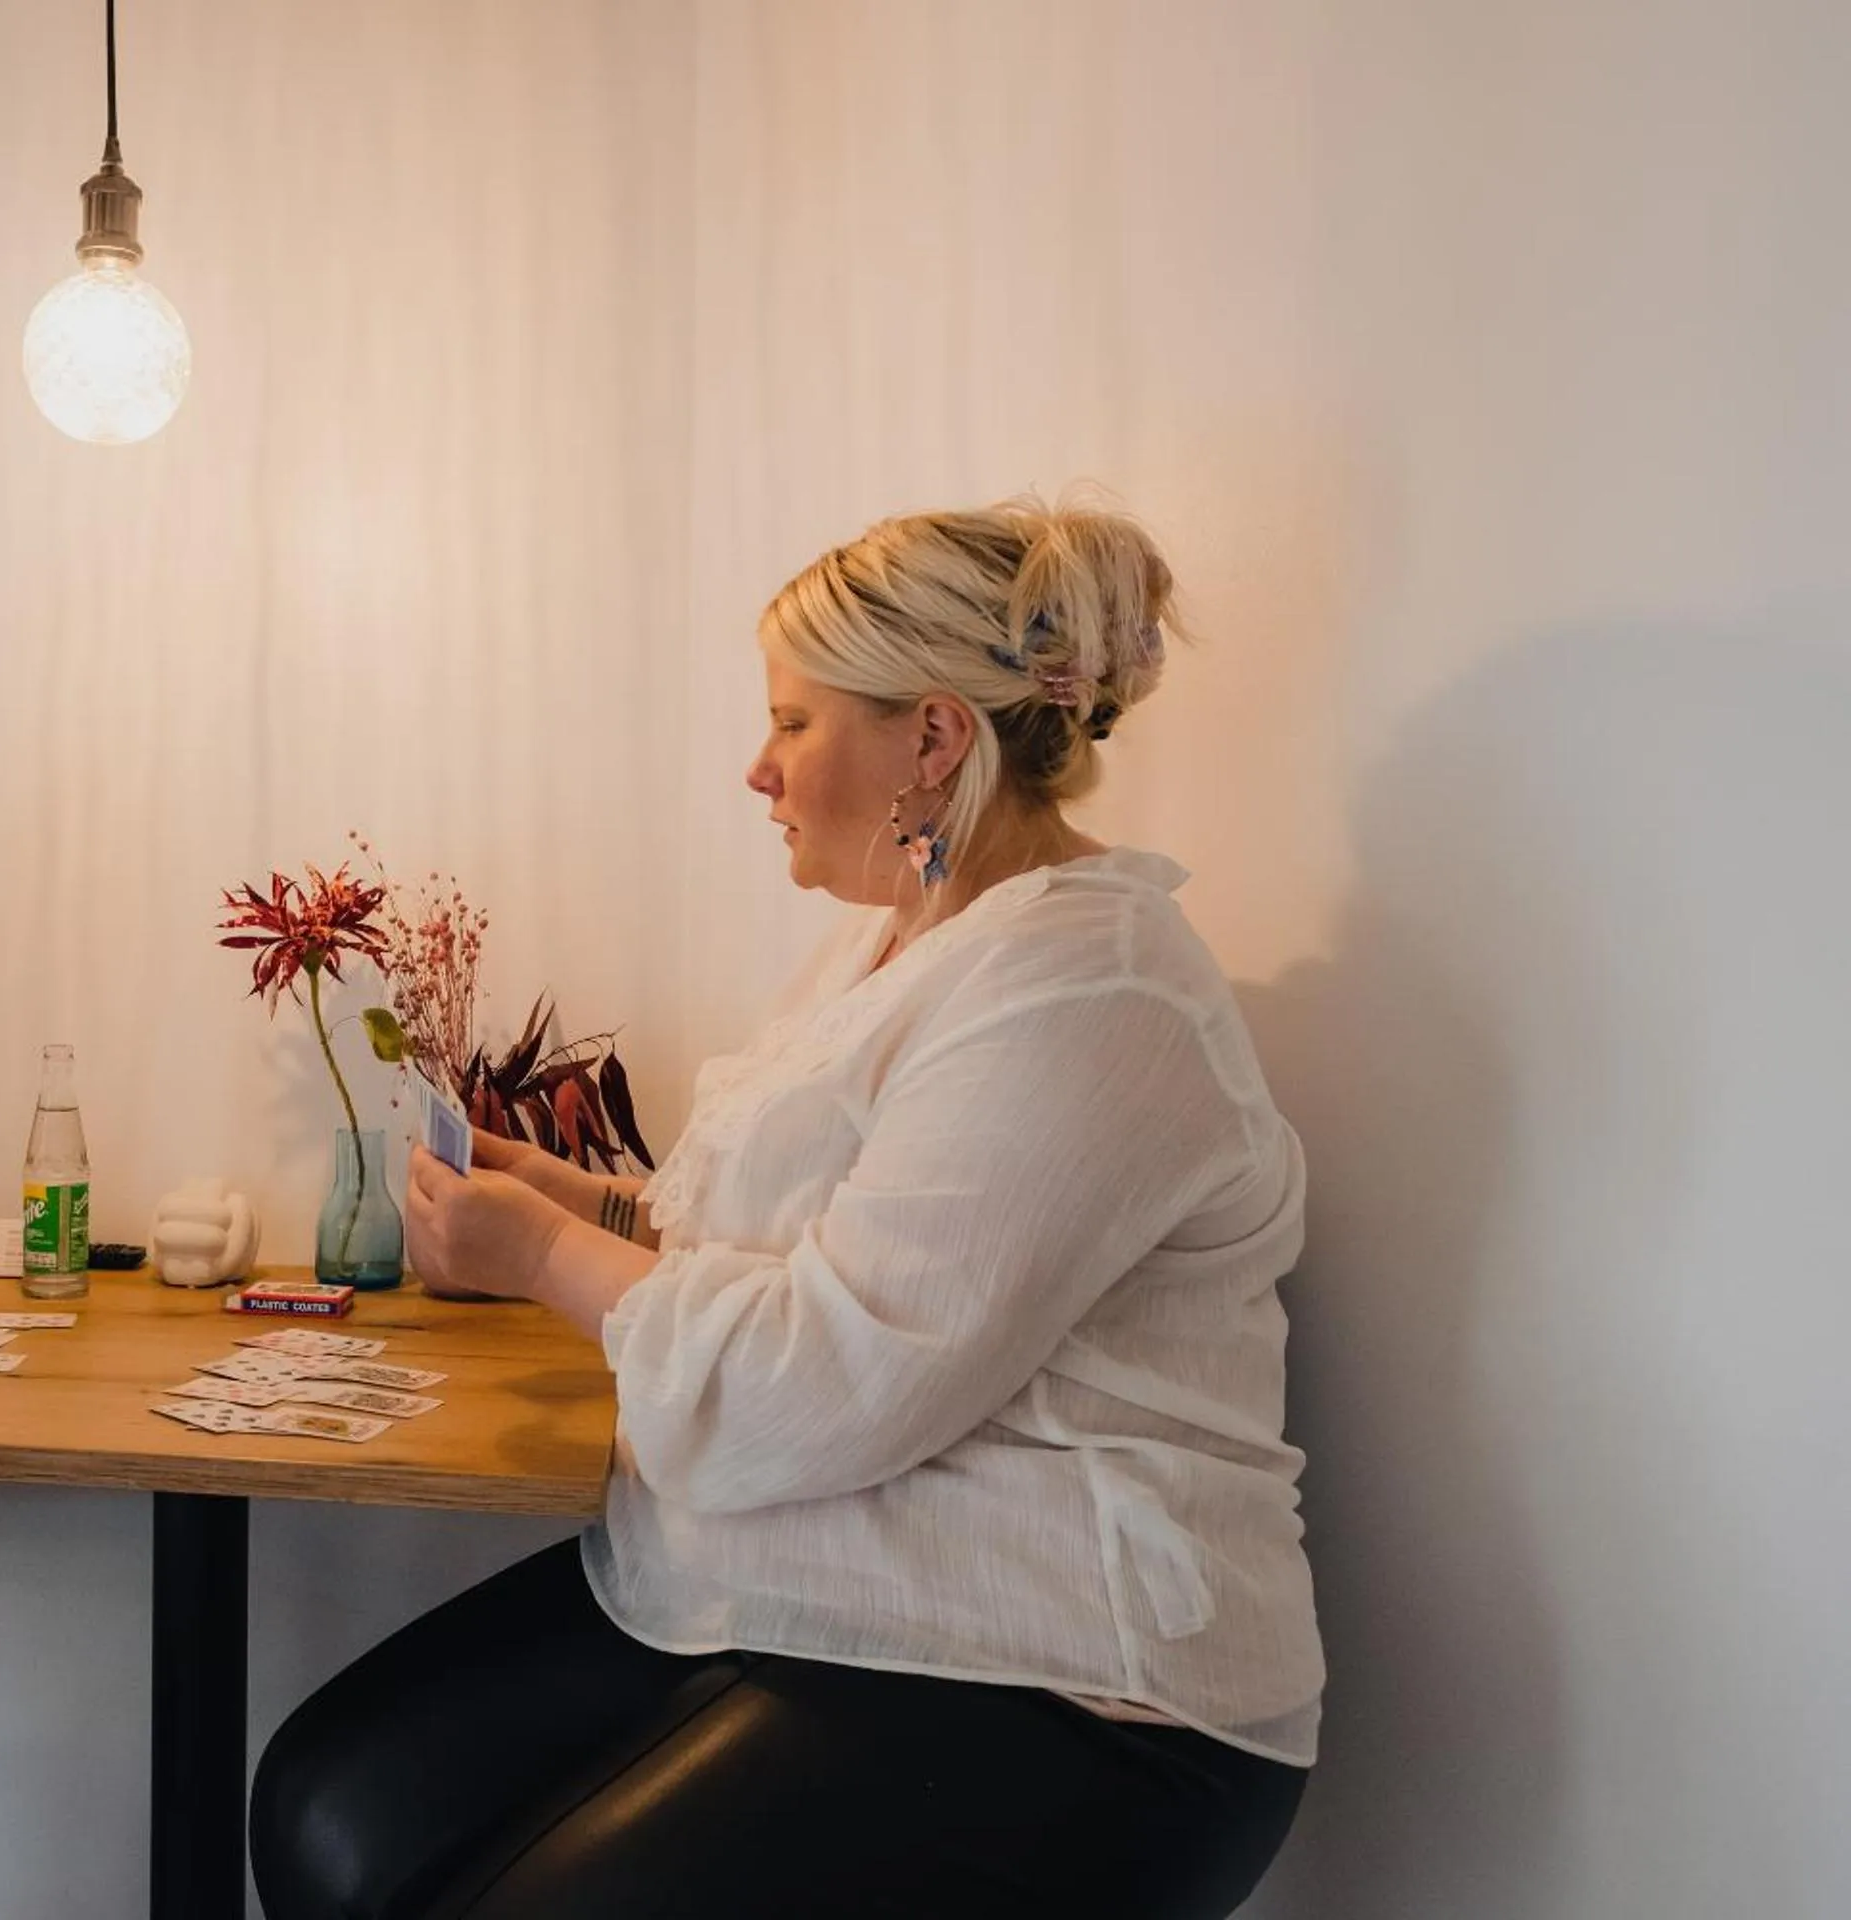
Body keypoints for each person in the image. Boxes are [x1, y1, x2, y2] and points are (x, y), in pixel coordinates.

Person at [253, 501, 1324, 1919]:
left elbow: (825, 1379)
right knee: (323, 1812)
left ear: (933, 739)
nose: (757, 770)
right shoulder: (903, 944)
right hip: (827, 1561)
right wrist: (592, 1207)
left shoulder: (1087, 989)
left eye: (792, 723)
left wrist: (545, 1255)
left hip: (1066, 1677)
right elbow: (810, 1249)